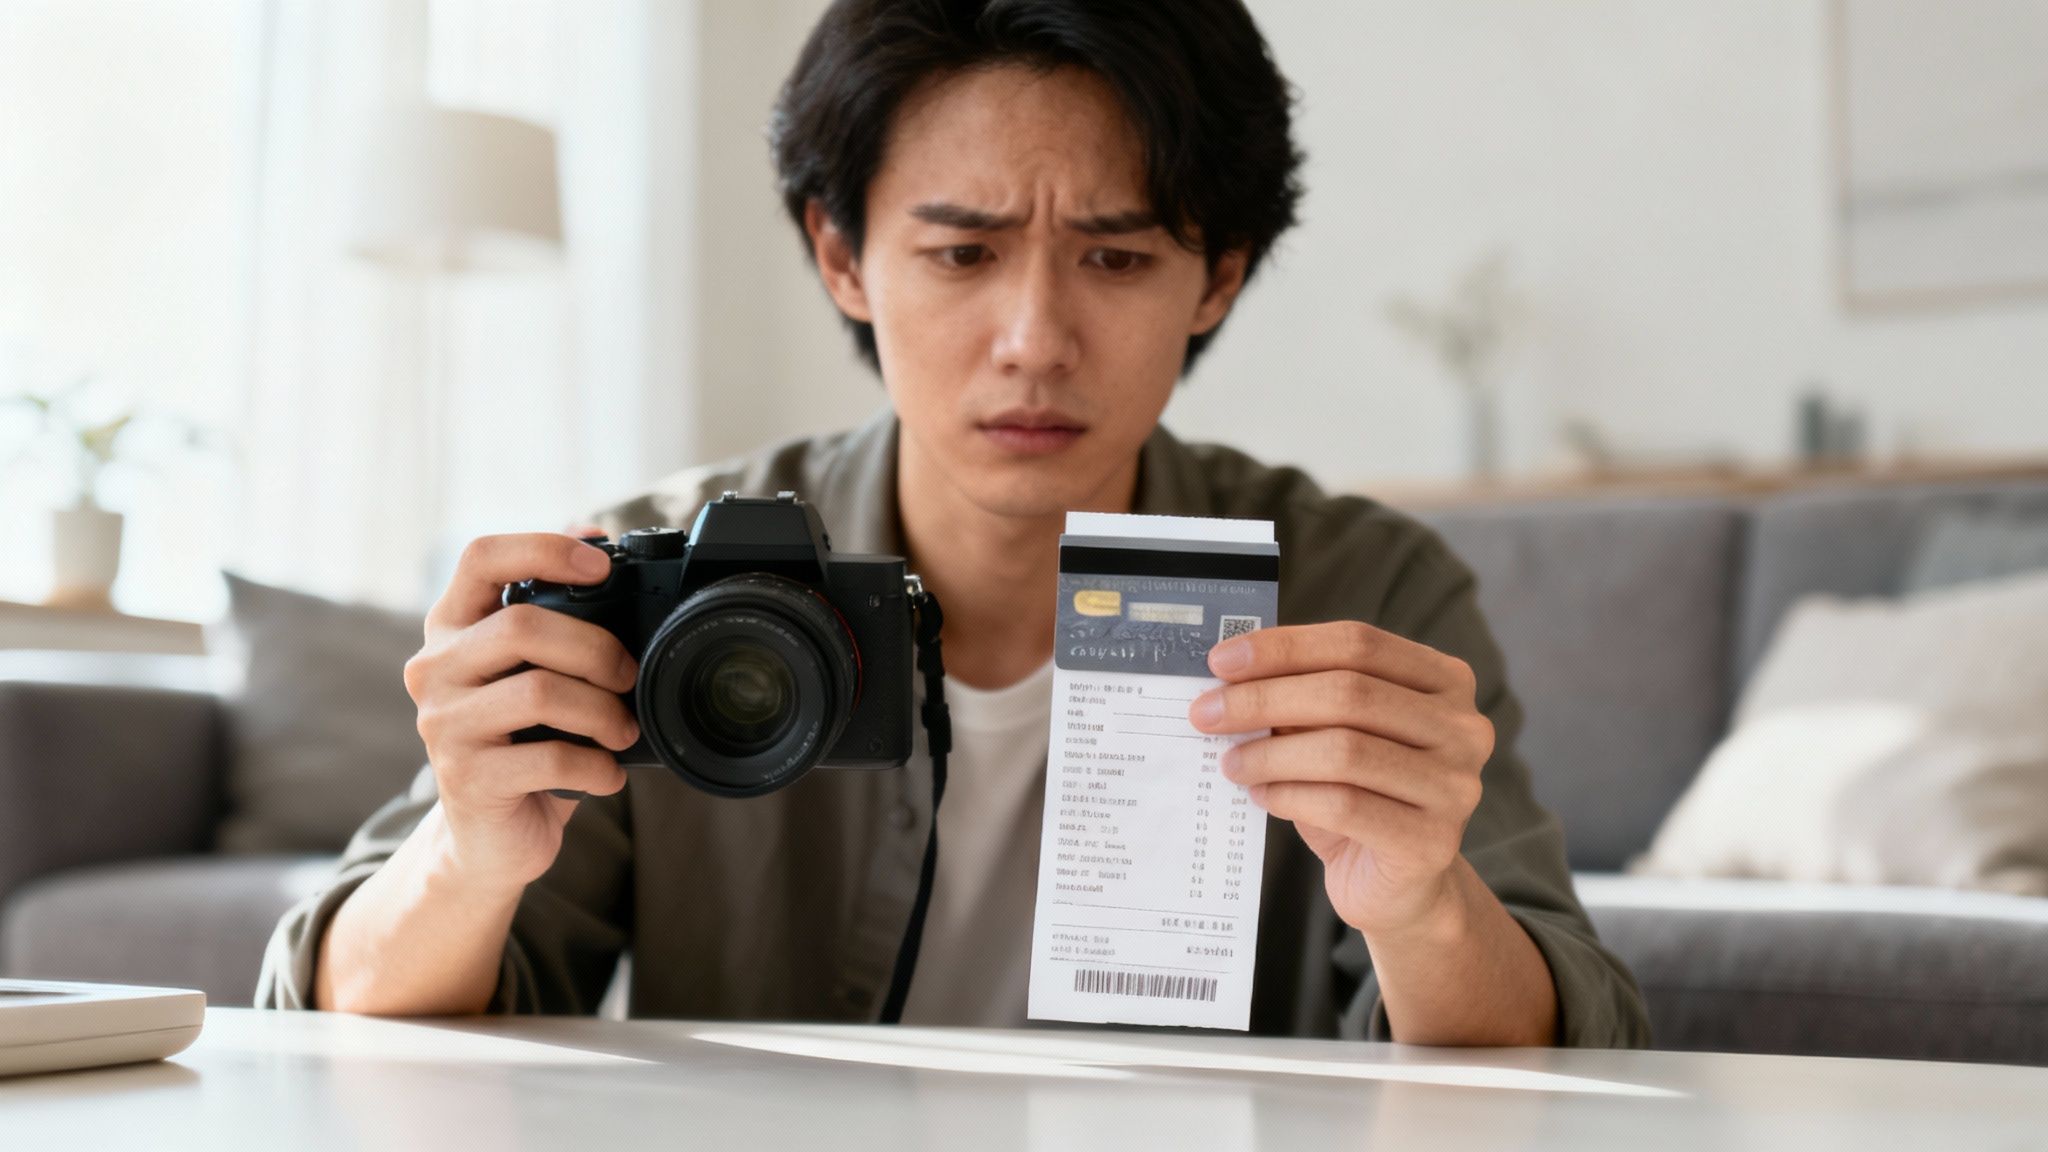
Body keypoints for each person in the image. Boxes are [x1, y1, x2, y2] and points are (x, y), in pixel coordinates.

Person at [258, 0, 1649, 1047]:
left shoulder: (1359, 584)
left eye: (1115, 256)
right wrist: (468, 850)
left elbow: (1563, 1038)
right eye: (962, 253)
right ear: (842, 255)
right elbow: (338, 1008)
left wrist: (1418, 903)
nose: (1034, 339)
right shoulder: (655, 569)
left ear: (1217, 278)